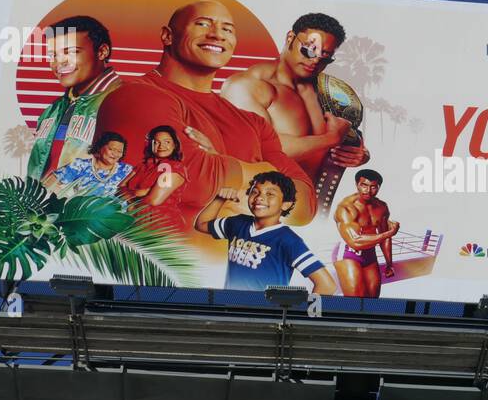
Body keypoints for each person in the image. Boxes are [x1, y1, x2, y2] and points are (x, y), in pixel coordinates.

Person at [93, 0, 315, 235]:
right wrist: (266, 175)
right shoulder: (136, 95)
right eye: (202, 24)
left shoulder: (253, 123)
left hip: (237, 268)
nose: (218, 35)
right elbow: (195, 181)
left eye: (227, 29)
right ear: (168, 36)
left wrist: (221, 164)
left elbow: (304, 206)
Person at [219, 12, 369, 181]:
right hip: (256, 203)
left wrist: (359, 153)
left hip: (313, 203)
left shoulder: (329, 90)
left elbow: (347, 129)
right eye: (309, 50)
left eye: (325, 57)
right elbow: (260, 149)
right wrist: (331, 139)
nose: (315, 61)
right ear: (290, 37)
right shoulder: (246, 86)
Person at [195, 170, 337, 294]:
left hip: (266, 318)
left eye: (270, 194)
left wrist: (303, 316)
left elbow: (327, 285)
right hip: (229, 309)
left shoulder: (288, 240)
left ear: (285, 204)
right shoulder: (237, 223)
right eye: (255, 192)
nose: (260, 197)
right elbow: (201, 225)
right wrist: (219, 199)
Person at [26, 15, 122, 179]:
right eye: (53, 55)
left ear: (102, 51)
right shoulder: (53, 109)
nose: (59, 62)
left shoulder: (123, 100)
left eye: (70, 52)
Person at [333, 169, 399, 297]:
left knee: (372, 300)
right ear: (357, 185)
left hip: (369, 254)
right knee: (355, 301)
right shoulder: (346, 207)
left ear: (378, 187)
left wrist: (389, 263)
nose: (368, 190)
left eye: (373, 187)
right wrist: (389, 234)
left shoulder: (381, 207)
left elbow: (385, 236)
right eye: (364, 185)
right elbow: (355, 242)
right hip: (348, 253)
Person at [120, 125, 189, 232]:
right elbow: (120, 187)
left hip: (162, 226)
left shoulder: (174, 167)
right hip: (135, 223)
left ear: (175, 145)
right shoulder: (141, 166)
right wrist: (141, 192)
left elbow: (154, 200)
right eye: (156, 142)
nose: (161, 146)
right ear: (150, 145)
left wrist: (131, 200)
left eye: (167, 142)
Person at [48, 131, 133, 197]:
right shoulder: (80, 165)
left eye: (119, 151)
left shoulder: (127, 170)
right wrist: (66, 198)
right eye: (111, 149)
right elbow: (49, 182)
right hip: (83, 214)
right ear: (100, 147)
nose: (115, 154)